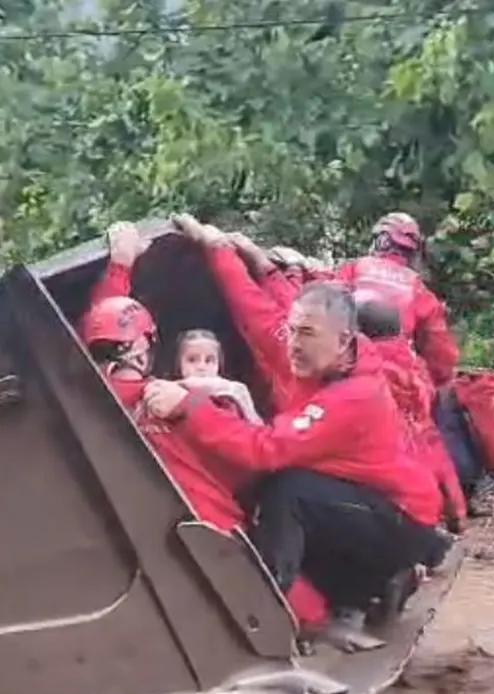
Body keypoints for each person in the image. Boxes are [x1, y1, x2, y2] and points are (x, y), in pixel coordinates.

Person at [154, 214, 450, 633]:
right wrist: (226, 252)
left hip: (402, 518)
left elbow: (265, 449)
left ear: (345, 340)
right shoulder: (319, 350)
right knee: (288, 495)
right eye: (293, 331)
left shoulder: (355, 395)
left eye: (305, 334)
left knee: (287, 492)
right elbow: (260, 318)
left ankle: (269, 614)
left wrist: (189, 408)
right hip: (367, 497)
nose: (293, 344)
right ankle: (372, 588)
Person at [82, 221, 331, 634]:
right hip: (217, 533)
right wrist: (240, 401)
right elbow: (257, 460)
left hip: (136, 539)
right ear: (152, 347)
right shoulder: (187, 404)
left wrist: (120, 266)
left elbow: (103, 328)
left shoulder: (89, 396)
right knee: (307, 603)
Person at [355, 296, 467, 533]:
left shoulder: (365, 371)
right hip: (423, 480)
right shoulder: (416, 369)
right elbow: (441, 464)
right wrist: (457, 512)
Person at [332, 212, 459, 386]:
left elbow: (323, 307)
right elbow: (441, 353)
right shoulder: (418, 288)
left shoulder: (353, 269)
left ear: (380, 241)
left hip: (342, 367)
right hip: (395, 377)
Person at [173, 329, 263, 424]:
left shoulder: (235, 395)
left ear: (219, 364)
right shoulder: (169, 398)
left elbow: (255, 428)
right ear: (179, 364)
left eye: (209, 360)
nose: (201, 367)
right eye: (192, 360)